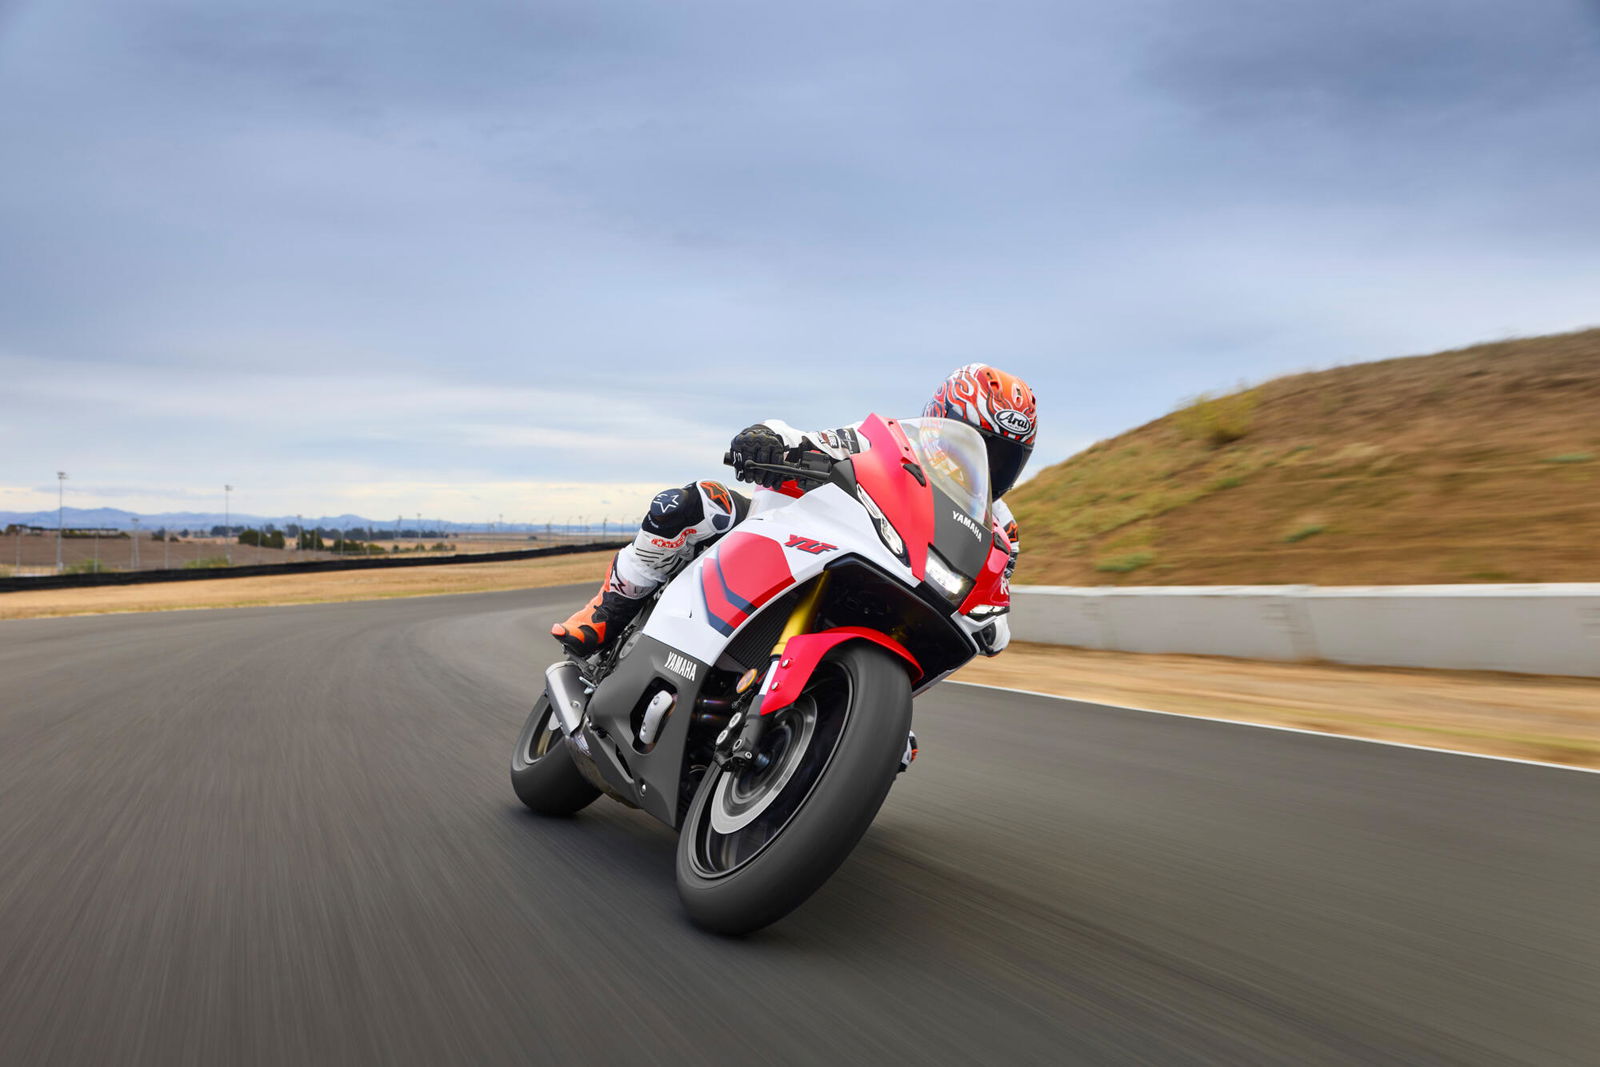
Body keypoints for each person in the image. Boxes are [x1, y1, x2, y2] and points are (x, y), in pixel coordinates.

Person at [552, 364, 1038, 655]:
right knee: (691, 504)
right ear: (938, 421)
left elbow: (997, 592)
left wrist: (993, 622)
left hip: (891, 587)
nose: (987, 463)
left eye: (1003, 456)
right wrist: (771, 440)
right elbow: (815, 441)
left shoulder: (1001, 527)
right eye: (978, 445)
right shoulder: (889, 442)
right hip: (796, 529)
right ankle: (611, 609)